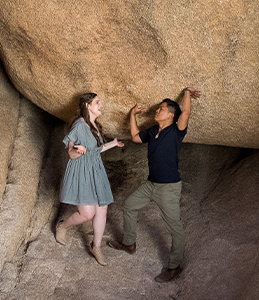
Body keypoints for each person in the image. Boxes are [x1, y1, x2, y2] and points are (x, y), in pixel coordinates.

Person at [109, 86, 201, 282]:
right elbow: (134, 137)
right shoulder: (152, 131)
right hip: (150, 185)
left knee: (175, 228)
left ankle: (174, 266)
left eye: (161, 109)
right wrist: (132, 114)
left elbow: (185, 111)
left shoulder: (177, 131)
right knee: (129, 205)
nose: (157, 111)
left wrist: (186, 91)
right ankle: (129, 244)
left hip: (168, 188)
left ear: (170, 114)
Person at [55, 92, 124, 266]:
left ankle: (97, 247)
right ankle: (62, 226)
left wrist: (113, 143)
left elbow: (96, 150)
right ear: (88, 106)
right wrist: (78, 151)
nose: (101, 105)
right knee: (87, 214)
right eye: (97, 102)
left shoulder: (95, 125)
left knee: (102, 210)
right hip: (82, 171)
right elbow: (70, 152)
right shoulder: (79, 125)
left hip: (96, 170)